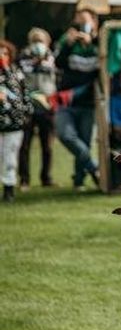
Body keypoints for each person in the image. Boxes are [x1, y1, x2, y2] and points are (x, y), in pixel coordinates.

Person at [54, 6, 101, 190]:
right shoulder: (68, 39)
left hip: (88, 101)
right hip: (65, 99)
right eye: (78, 20)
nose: (81, 24)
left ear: (94, 22)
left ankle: (79, 181)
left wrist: (93, 41)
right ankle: (94, 168)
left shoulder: (100, 41)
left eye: (85, 20)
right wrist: (68, 44)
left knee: (85, 140)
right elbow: (57, 63)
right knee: (65, 135)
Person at [17, 28, 57, 189]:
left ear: (47, 42)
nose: (38, 44)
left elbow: (53, 74)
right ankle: (24, 179)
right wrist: (33, 61)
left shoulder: (52, 58)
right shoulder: (23, 57)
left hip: (47, 106)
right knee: (24, 145)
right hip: (27, 106)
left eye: (41, 41)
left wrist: (43, 60)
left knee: (47, 145)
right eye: (35, 41)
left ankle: (46, 178)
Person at [0, 41, 31, 201]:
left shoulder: (16, 74)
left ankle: (9, 188)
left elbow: (25, 96)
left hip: (14, 123)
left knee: (10, 157)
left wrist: (25, 114)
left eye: (4, 53)